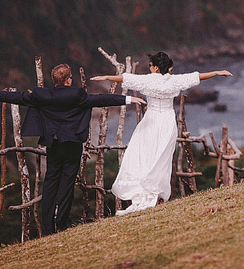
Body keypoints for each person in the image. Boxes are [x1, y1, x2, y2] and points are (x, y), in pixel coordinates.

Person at [0, 63, 144, 234]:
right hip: (72, 144)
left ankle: (48, 227)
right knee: (67, 183)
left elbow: (20, 97)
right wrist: (128, 100)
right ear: (68, 80)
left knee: (50, 182)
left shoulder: (42, 95)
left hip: (54, 145)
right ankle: (62, 223)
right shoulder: (77, 94)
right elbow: (99, 99)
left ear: (55, 80)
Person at [90, 52, 231, 215]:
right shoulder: (174, 80)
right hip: (167, 122)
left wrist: (106, 77)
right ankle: (152, 191)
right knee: (160, 158)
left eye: (150, 65)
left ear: (156, 67)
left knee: (143, 155)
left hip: (151, 121)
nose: (149, 68)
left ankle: (144, 192)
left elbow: (125, 79)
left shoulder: (148, 80)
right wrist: (217, 72)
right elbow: (197, 76)